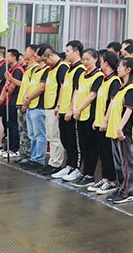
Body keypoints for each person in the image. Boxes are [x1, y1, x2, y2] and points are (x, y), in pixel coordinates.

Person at [80, 51, 120, 192]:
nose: (99, 63)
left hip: (106, 123)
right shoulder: (104, 79)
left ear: (106, 63)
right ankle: (104, 178)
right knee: (102, 153)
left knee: (108, 153)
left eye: (101, 61)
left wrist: (105, 120)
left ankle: (112, 181)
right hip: (98, 121)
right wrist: (96, 120)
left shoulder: (115, 81)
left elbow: (112, 103)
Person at [102, 57, 133, 204]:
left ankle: (127, 192)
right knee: (118, 163)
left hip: (124, 132)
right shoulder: (122, 87)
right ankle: (121, 187)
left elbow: (129, 110)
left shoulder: (131, 88)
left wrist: (120, 128)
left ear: (128, 70)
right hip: (115, 130)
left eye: (120, 66)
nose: (117, 69)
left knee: (126, 163)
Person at [70, 49, 105, 191]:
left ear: (96, 59)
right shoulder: (82, 75)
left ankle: (90, 175)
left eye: (88, 59)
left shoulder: (99, 76)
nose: (85, 62)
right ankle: (84, 173)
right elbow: (77, 91)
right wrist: (74, 107)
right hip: (80, 114)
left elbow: (92, 95)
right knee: (83, 145)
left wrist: (79, 108)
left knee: (91, 146)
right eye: (83, 59)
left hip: (90, 115)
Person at [53, 41, 86, 181]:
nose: (66, 54)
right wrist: (59, 106)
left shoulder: (80, 70)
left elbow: (76, 91)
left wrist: (71, 110)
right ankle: (69, 165)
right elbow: (64, 89)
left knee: (74, 141)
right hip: (63, 109)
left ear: (76, 52)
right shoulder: (69, 69)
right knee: (65, 140)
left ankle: (76, 168)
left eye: (68, 51)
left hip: (71, 112)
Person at [36, 45, 69, 176]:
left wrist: (59, 105)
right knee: (50, 136)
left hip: (55, 106)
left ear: (51, 55)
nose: (45, 63)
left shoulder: (62, 67)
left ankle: (56, 163)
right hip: (48, 106)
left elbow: (63, 87)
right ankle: (52, 162)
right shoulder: (51, 69)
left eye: (45, 60)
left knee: (56, 137)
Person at [22, 51, 48, 170]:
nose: (35, 56)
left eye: (37, 54)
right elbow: (30, 86)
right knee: (32, 135)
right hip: (31, 105)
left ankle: (39, 159)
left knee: (39, 135)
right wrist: (26, 99)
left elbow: (41, 88)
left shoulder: (46, 70)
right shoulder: (35, 70)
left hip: (39, 106)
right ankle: (33, 158)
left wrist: (29, 98)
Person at [13, 45, 38, 162]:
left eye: (26, 51)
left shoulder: (35, 69)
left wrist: (25, 103)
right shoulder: (28, 68)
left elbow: (32, 87)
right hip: (21, 102)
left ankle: (29, 155)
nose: (23, 53)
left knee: (28, 132)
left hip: (28, 104)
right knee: (22, 130)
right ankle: (24, 153)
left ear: (33, 53)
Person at [0, 49, 24, 157]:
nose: (6, 59)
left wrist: (3, 97)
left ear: (14, 57)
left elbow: (12, 86)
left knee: (13, 125)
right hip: (8, 100)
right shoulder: (10, 69)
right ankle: (7, 147)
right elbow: (6, 85)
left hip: (13, 100)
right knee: (7, 124)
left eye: (8, 56)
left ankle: (14, 148)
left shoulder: (17, 70)